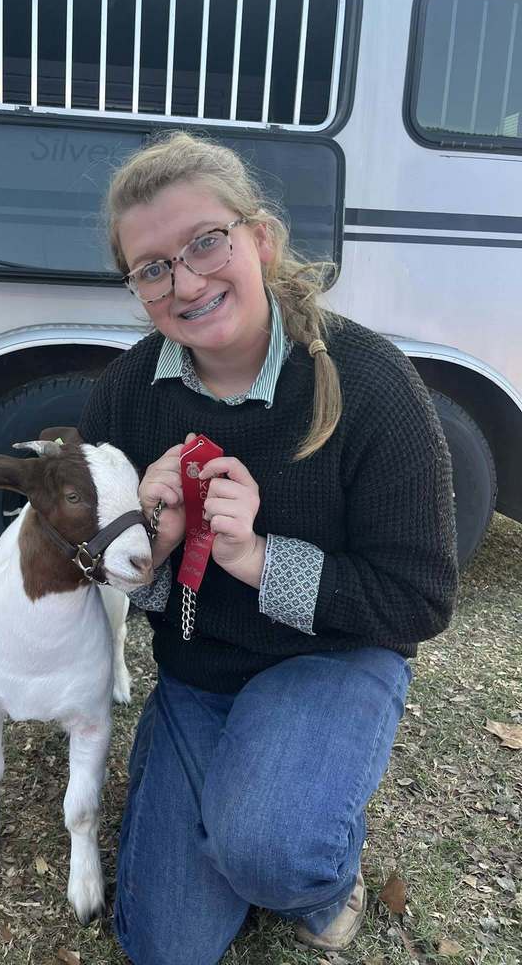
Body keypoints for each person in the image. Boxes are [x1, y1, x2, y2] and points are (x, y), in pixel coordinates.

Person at [78, 131, 458, 965]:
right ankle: (231, 783)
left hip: (334, 661)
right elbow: (94, 577)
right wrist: (151, 547)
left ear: (261, 238)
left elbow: (421, 599)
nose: (186, 280)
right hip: (199, 672)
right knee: (164, 949)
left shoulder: (371, 382)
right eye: (152, 267)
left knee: (272, 853)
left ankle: (326, 871)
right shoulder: (123, 397)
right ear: (137, 288)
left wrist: (255, 558)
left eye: (205, 242)